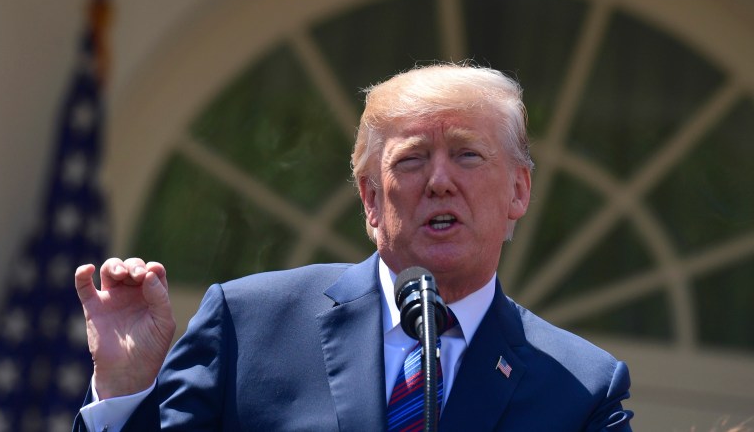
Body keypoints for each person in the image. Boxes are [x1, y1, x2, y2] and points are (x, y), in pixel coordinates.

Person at [73, 63, 634, 431]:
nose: (440, 181)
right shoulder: (249, 325)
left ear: (518, 190)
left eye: (468, 155)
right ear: (370, 199)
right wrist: (125, 392)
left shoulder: (582, 390)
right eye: (411, 160)